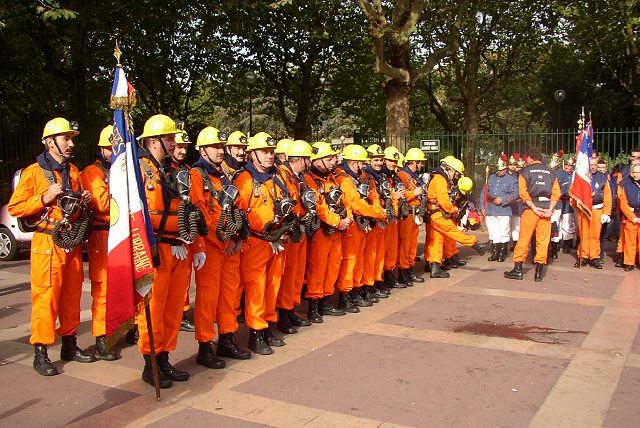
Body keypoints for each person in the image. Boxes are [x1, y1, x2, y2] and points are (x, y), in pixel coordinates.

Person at [9, 117, 97, 376]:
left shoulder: (73, 172)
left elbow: (74, 209)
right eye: (65, 138)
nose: (70, 143)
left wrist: (84, 201)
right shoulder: (34, 173)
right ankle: (41, 350)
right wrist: (42, 198)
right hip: (47, 243)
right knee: (45, 299)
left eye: (71, 139)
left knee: (71, 297)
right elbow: (16, 207)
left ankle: (69, 344)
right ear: (50, 142)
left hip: (69, 242)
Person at [136, 114, 207, 388]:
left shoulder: (171, 170)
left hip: (179, 247)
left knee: (174, 307)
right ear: (154, 141)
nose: (173, 142)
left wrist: (195, 241)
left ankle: (165, 357)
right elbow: (137, 215)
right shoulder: (139, 170)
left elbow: (188, 208)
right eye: (168, 138)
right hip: (156, 249)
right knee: (153, 308)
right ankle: (150, 362)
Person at [190, 126, 251, 367]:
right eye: (215, 147)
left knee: (229, 295)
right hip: (213, 246)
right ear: (203, 150)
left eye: (221, 147)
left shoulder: (222, 175)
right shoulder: (196, 175)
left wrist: (237, 238)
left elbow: (236, 209)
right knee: (208, 297)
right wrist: (224, 240)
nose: (220, 151)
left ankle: (227, 337)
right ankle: (205, 346)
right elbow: (200, 214)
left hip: (228, 245)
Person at [236, 132, 295, 354]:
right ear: (253, 155)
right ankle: (256, 332)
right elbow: (239, 213)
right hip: (256, 242)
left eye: (271, 152)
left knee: (273, 285)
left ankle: (268, 325)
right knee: (256, 288)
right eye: (264, 152)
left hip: (277, 241)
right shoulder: (245, 180)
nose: (270, 156)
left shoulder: (275, 178)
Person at [79, 125, 118, 361]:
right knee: (103, 289)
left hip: (122, 233)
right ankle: (102, 336)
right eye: (112, 148)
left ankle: (125, 327)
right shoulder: (92, 173)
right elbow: (102, 204)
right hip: (103, 235)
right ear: (103, 149)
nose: (115, 152)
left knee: (127, 282)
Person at [335, 144, 387, 312]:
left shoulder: (362, 176)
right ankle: (346, 294)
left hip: (364, 223)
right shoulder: (344, 180)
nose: (364, 165)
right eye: (361, 163)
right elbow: (357, 204)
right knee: (350, 261)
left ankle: (357, 289)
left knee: (361, 259)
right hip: (353, 225)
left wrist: (378, 211)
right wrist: (379, 214)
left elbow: (374, 196)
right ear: (353, 163)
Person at [304, 141, 352, 322]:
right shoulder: (310, 180)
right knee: (318, 268)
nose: (333, 161)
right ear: (317, 161)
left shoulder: (331, 178)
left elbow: (344, 201)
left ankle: (325, 301)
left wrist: (348, 218)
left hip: (335, 232)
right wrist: (338, 222)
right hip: (321, 231)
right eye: (329, 158)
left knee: (333, 265)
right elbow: (318, 207)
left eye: (333, 158)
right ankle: (314, 305)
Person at [424, 157, 487, 278]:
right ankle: (475, 244)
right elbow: (444, 201)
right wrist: (454, 210)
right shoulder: (441, 180)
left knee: (435, 241)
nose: (456, 177)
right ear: (451, 170)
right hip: (437, 214)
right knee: (453, 232)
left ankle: (434, 266)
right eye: (456, 174)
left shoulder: (437, 178)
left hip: (433, 213)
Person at [504, 148, 561, 282]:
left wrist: (534, 207)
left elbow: (523, 193)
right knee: (543, 240)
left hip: (531, 209)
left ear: (529, 158)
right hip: (546, 208)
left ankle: (518, 269)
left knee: (524, 238)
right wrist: (550, 209)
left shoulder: (525, 171)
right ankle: (539, 272)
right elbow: (556, 193)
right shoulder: (550, 172)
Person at [276, 139, 315, 333]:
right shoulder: (283, 175)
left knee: (297, 274)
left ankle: (290, 308)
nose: (309, 163)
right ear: (301, 159)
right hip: (291, 230)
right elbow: (290, 202)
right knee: (289, 273)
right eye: (307, 159)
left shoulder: (296, 176)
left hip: (299, 229)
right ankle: (284, 313)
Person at [171, 132, 197, 333]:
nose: (181, 151)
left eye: (185, 148)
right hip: (170, 235)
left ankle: (182, 311)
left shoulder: (187, 170)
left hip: (185, 231)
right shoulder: (163, 171)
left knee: (185, 276)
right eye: (178, 146)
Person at [361, 144, 393, 302]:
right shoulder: (367, 176)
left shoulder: (381, 176)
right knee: (370, 256)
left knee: (379, 255)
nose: (379, 163)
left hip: (381, 219)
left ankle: (376, 281)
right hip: (372, 221)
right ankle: (368, 285)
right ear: (369, 161)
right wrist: (378, 215)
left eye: (381, 160)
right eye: (376, 160)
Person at [574, 157, 612, 268]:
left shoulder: (603, 177)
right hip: (584, 209)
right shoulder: (580, 177)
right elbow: (572, 191)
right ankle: (583, 256)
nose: (593, 167)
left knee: (595, 235)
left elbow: (608, 196)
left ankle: (594, 257)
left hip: (597, 210)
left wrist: (606, 212)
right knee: (584, 234)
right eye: (591, 164)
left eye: (595, 164)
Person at [396, 148, 427, 283]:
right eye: (420, 163)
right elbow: (399, 195)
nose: (422, 165)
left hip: (414, 214)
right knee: (404, 243)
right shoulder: (402, 175)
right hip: (406, 214)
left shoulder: (413, 176)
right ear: (414, 162)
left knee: (412, 244)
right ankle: (403, 271)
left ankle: (409, 268)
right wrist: (413, 194)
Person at [481, 154, 518, 263]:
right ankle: (495, 252)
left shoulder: (511, 180)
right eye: (499, 170)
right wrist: (482, 207)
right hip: (490, 208)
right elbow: (484, 192)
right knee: (493, 231)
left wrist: (503, 200)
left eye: (502, 170)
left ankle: (502, 252)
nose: (500, 172)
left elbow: (515, 194)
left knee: (503, 231)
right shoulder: (491, 177)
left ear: (506, 169)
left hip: (503, 209)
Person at [618, 163, 640, 270]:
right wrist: (632, 217)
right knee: (629, 241)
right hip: (631, 217)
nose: (635, 174)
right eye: (633, 172)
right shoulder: (626, 185)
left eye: (637, 172)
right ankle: (629, 262)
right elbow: (623, 203)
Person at [559, 157, 576, 253]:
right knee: (559, 222)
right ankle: (557, 242)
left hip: (569, 201)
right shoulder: (560, 174)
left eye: (569, 165)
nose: (566, 167)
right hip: (560, 200)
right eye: (565, 164)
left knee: (567, 223)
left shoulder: (574, 176)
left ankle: (567, 243)